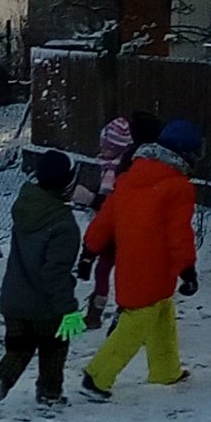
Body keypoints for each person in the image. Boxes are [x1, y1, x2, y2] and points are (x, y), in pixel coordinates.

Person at [80, 118, 202, 402]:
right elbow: (179, 233)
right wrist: (187, 269)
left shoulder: (129, 178)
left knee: (161, 312)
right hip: (156, 269)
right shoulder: (178, 187)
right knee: (135, 324)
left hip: (130, 267)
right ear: (186, 154)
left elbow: (105, 220)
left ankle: (166, 370)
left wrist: (88, 252)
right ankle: (96, 377)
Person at [0, 148, 86, 422]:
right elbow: (54, 273)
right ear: (67, 183)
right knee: (55, 346)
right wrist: (68, 309)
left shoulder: (26, 206)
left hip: (13, 299)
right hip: (45, 305)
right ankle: (49, 394)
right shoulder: (63, 225)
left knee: (19, 349)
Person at [79, 109, 163, 328]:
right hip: (128, 230)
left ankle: (99, 309)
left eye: (106, 146)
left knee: (106, 269)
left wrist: (90, 199)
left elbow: (107, 205)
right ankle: (118, 310)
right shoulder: (133, 164)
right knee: (119, 271)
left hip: (114, 231)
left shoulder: (114, 170)